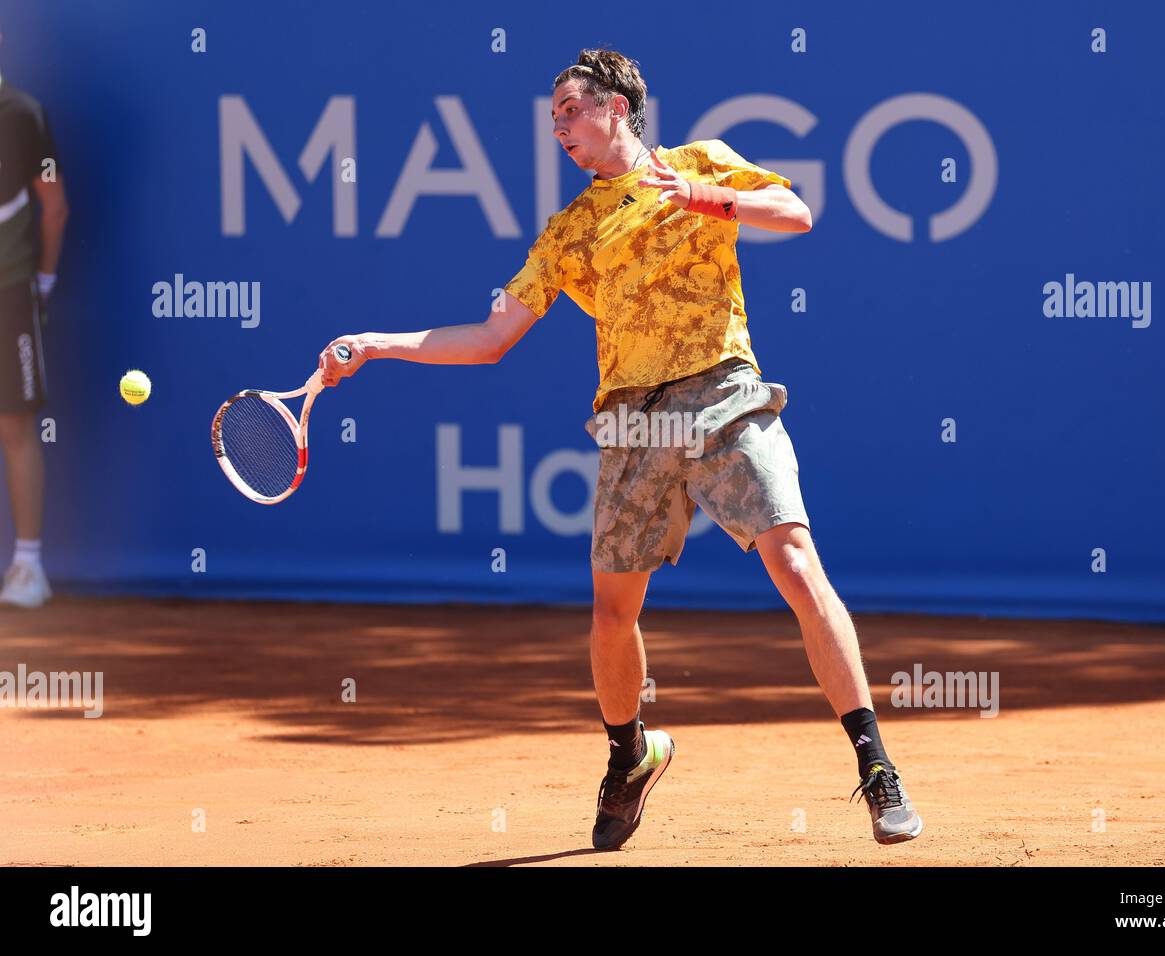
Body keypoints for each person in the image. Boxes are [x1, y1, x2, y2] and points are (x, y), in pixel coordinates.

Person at [318, 48, 923, 849]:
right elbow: (493, 335)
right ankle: (630, 755)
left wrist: (708, 198)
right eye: (554, 118)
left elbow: (796, 211)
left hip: (723, 391)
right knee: (612, 615)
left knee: (797, 563)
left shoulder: (698, 161)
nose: (561, 127)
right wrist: (379, 342)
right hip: (633, 421)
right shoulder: (570, 230)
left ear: (618, 107)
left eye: (572, 108)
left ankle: (876, 766)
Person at [0, 36, 66, 609]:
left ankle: (28, 567)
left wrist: (41, 283)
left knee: (16, 426)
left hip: (9, 291)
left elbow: (54, 202)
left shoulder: (22, 116)